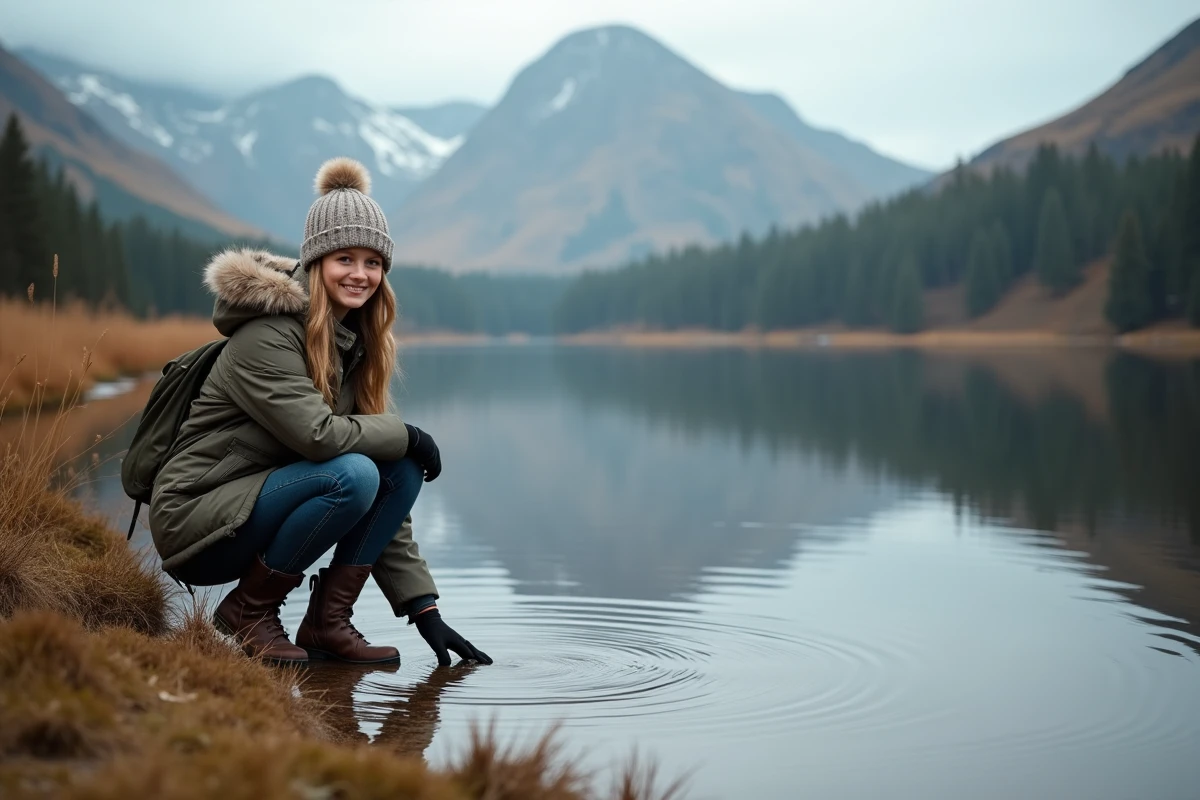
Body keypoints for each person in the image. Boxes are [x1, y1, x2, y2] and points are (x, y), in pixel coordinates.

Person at [148, 157, 490, 668]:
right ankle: (248, 612)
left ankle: (328, 623)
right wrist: (407, 433)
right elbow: (318, 437)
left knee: (393, 467)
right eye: (344, 259)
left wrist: (424, 608)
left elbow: (383, 485)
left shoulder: (351, 344)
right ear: (315, 262)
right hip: (197, 518)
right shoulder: (266, 336)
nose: (360, 274)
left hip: (256, 506)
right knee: (351, 472)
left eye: (373, 262)